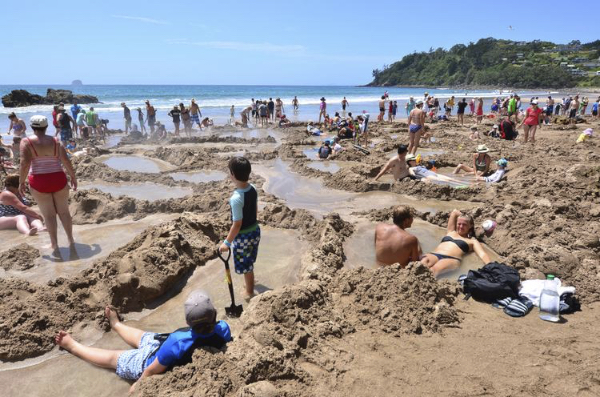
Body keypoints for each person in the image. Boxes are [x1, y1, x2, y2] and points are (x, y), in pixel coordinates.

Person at [54, 290, 232, 394]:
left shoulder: (178, 341)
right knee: (144, 337)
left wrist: (138, 387)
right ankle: (116, 325)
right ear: (215, 314)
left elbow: (151, 370)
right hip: (163, 344)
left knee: (114, 358)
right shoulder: (223, 328)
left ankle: (73, 346)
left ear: (187, 322)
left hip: (149, 360)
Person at [19, 116, 77, 254]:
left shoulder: (26, 142)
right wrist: (73, 177)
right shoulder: (56, 141)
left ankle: (54, 245)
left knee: (49, 216)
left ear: (32, 127)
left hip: (39, 181)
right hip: (58, 178)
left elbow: (24, 164)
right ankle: (71, 240)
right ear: (46, 126)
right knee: (64, 212)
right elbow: (66, 161)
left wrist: (21, 181)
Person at [219, 157, 260, 301]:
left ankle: (249, 292)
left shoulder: (236, 198)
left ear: (232, 175)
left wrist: (227, 243)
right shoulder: (253, 188)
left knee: (245, 265)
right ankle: (251, 280)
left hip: (243, 236)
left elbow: (236, 224)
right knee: (250, 259)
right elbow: (255, 209)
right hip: (255, 230)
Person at [420, 210, 491, 277]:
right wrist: (464, 216)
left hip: (451, 259)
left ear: (470, 226)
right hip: (434, 254)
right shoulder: (451, 231)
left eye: (464, 224)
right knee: (421, 264)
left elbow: (482, 254)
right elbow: (454, 212)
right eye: (459, 224)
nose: (461, 226)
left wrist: (490, 266)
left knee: (433, 270)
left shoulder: (472, 241)